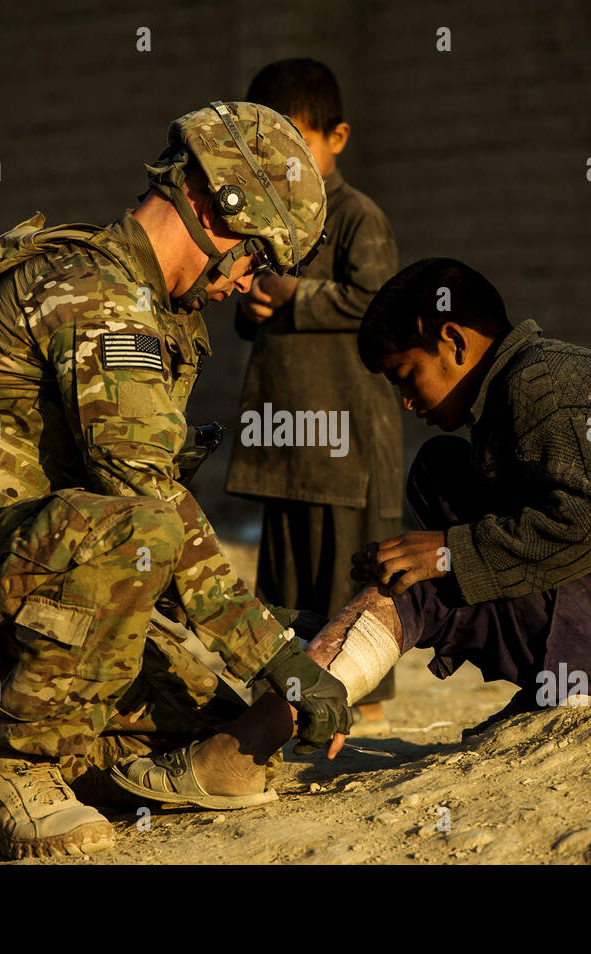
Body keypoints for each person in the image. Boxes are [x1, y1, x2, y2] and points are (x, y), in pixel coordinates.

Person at [0, 102, 352, 860]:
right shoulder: (99, 298)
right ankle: (17, 770)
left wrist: (261, 657)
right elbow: (146, 506)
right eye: (255, 257)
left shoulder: (127, 294)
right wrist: (276, 656)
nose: (246, 283)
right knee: (140, 530)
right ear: (213, 207)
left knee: (207, 729)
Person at [112, 257, 591, 800]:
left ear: (455, 340)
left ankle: (244, 752)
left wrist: (447, 553)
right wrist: (430, 554)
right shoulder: (510, 391)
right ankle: (374, 647)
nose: (406, 402)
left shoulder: (542, 384)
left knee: (428, 580)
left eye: (405, 377)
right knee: (439, 476)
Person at [226, 59, 402, 734]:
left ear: (339, 138)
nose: (287, 159)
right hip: (286, 441)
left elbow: (375, 299)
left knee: (348, 579)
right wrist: (257, 305)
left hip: (347, 444)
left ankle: (367, 708)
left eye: (300, 140)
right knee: (286, 584)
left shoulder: (358, 218)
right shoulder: (270, 223)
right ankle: (292, 701)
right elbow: (244, 307)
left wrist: (295, 295)